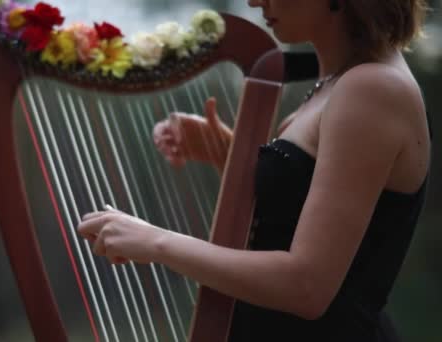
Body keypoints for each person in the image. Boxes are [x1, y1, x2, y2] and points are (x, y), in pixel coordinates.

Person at [77, 0, 432, 340]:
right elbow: (293, 218)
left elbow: (307, 287)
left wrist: (155, 240)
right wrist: (228, 154)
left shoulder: (371, 89)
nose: (254, 2)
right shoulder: (339, 83)